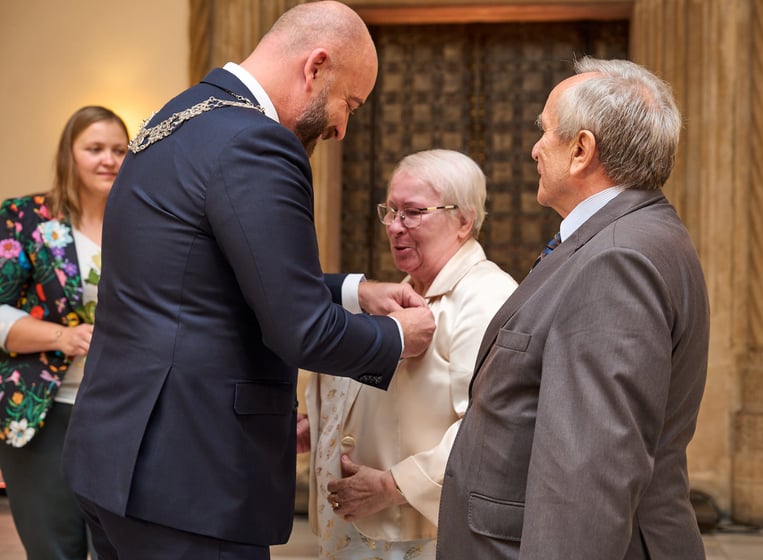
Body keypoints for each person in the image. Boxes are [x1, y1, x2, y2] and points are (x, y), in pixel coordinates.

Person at [60, 2, 435, 559]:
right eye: (348, 103)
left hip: (117, 461)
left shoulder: (177, 117)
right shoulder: (256, 142)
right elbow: (303, 332)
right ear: (316, 67)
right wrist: (401, 336)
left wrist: (354, 291)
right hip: (192, 482)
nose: (340, 127)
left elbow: (204, 277)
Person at [436, 57, 710, 559]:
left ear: (582, 149)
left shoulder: (618, 259)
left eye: (544, 132)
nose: (534, 149)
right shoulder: (625, 236)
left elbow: (589, 472)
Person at [301, 149, 517, 559]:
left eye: (413, 212)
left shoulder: (487, 297)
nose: (395, 227)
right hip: (361, 534)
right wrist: (318, 425)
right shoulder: (403, 292)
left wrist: (390, 486)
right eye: (391, 211)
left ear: (464, 220)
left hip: (427, 537)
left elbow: (487, 430)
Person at [0, 105, 129, 559]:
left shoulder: (143, 224)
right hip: (42, 409)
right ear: (68, 156)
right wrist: (61, 337)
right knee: (54, 548)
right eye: (94, 149)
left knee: (121, 547)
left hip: (124, 409)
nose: (108, 160)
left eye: (119, 149)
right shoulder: (24, 219)